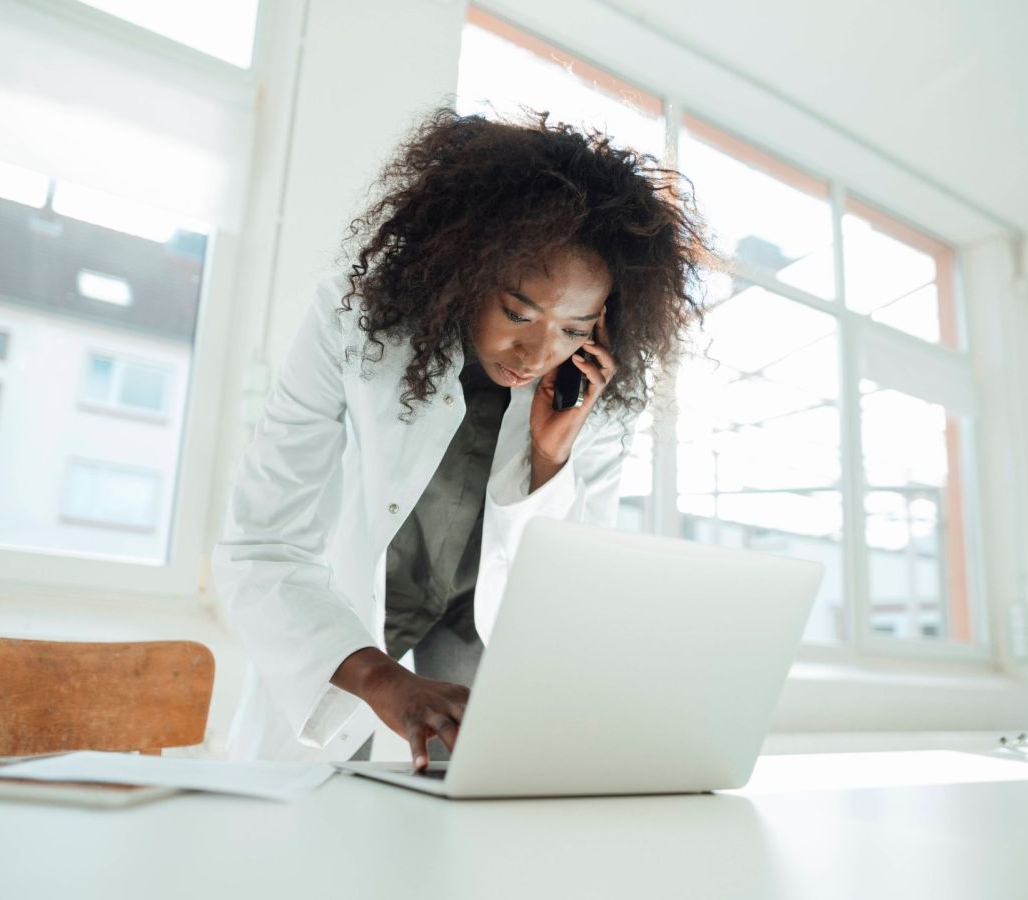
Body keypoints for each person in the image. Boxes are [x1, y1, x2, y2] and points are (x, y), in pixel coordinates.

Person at [212, 108, 706, 768]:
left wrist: (550, 458)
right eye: (517, 313)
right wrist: (380, 679)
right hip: (348, 619)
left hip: (483, 630)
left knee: (472, 835)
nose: (537, 351)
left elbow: (574, 592)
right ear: (466, 268)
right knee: (309, 832)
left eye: (574, 327)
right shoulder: (355, 323)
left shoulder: (596, 395)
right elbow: (260, 544)